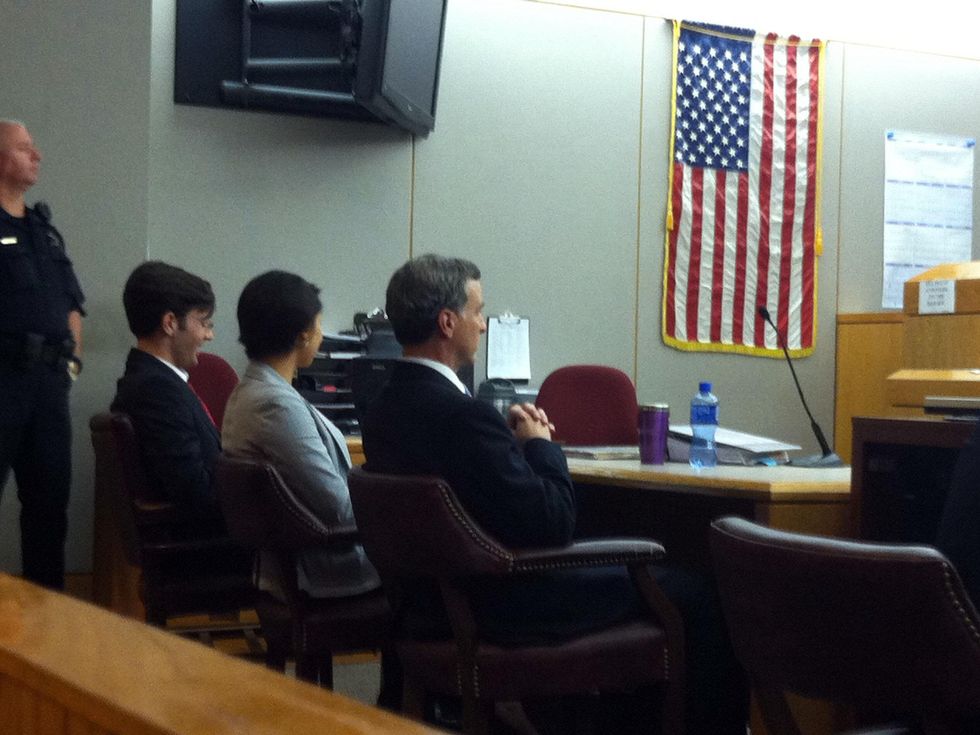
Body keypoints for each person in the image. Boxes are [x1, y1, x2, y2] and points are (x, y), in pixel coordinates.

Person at [362, 253, 747, 734]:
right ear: (447, 321)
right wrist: (541, 446)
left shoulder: (382, 408)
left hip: (429, 606)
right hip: (504, 605)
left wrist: (509, 448)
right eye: (478, 311)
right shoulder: (464, 417)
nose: (482, 324)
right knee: (701, 594)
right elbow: (553, 523)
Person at [221, 270, 380, 600]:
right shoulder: (275, 406)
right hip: (326, 573)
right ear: (302, 336)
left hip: (297, 566)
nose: (321, 334)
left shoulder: (250, 391)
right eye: (319, 326)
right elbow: (339, 509)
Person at [0, 119, 85, 590]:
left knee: (49, 507)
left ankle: (47, 618)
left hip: (49, 387)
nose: (37, 155)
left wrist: (70, 367)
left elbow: (71, 305)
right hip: (3, 380)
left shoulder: (44, 231)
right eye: (24, 148)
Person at [111, 261, 221, 519]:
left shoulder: (155, 382)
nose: (209, 336)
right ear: (170, 323)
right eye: (204, 323)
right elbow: (196, 493)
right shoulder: (157, 390)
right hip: (209, 538)